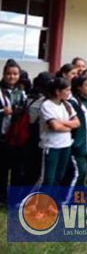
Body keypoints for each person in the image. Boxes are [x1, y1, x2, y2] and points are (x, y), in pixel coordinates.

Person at [38, 77, 79, 187]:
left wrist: (62, 123)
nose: (69, 93)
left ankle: (53, 201)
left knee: (59, 177)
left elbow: (77, 123)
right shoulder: (47, 105)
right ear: (57, 91)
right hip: (51, 146)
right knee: (48, 179)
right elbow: (55, 126)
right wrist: (67, 126)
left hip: (65, 145)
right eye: (66, 90)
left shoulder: (67, 105)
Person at [1, 59, 28, 204]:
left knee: (17, 170)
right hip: (3, 136)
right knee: (2, 170)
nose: (12, 77)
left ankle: (14, 198)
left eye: (15, 74)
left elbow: (25, 109)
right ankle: (1, 197)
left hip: (17, 137)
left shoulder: (22, 91)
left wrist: (16, 111)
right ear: (4, 74)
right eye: (9, 74)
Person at [67, 73, 87, 192]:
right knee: (79, 172)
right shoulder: (73, 102)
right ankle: (67, 201)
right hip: (77, 143)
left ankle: (77, 198)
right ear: (79, 87)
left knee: (83, 172)